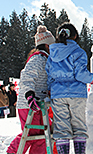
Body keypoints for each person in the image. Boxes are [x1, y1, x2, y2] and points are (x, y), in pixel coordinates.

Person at [45, 22, 93, 154]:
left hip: (58, 95)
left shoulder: (52, 54)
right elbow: (80, 74)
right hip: (77, 94)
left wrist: (50, 90)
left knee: (61, 128)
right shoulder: (78, 52)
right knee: (79, 126)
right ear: (75, 36)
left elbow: (49, 75)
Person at [7, 25, 57, 154]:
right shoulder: (38, 58)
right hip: (29, 104)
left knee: (41, 134)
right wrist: (30, 95)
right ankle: (12, 152)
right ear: (47, 46)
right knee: (31, 134)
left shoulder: (46, 59)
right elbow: (27, 78)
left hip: (39, 105)